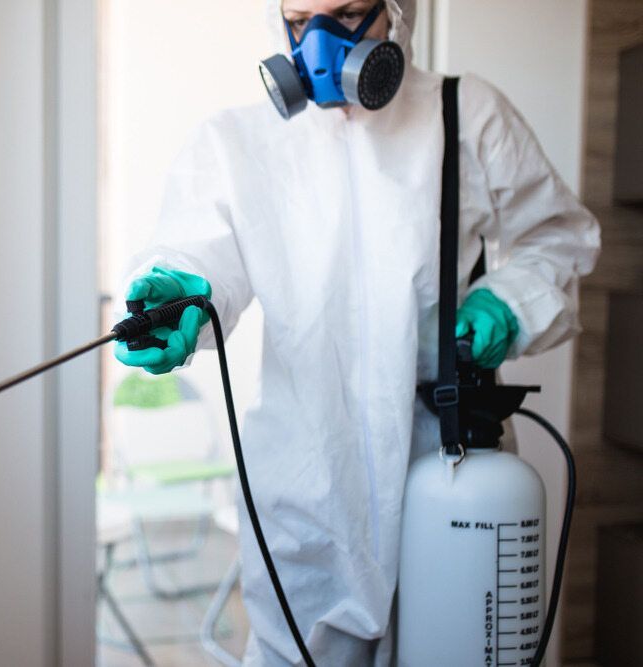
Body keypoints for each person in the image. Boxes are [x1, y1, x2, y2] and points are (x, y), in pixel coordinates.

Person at [113, 0, 600, 664]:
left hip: (447, 465)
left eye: (344, 15)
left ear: (395, 14)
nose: (318, 44)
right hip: (307, 488)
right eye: (299, 18)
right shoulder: (235, 143)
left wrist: (506, 304)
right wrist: (177, 290)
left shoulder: (466, 115)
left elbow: (559, 237)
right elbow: (200, 260)